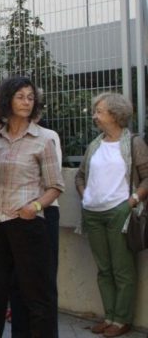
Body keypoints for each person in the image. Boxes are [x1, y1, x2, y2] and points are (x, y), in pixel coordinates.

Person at [0, 76, 64, 338]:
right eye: (20, 96)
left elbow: (56, 186)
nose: (27, 102)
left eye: (30, 97)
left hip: (26, 222)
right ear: (7, 99)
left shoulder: (43, 140)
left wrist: (35, 206)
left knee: (37, 294)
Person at [75, 92, 148, 338]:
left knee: (122, 269)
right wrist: (85, 196)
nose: (95, 116)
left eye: (99, 111)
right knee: (104, 269)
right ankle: (109, 317)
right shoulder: (94, 145)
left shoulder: (134, 143)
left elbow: (146, 176)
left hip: (121, 213)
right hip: (93, 214)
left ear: (115, 115)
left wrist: (132, 201)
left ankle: (122, 320)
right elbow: (80, 176)